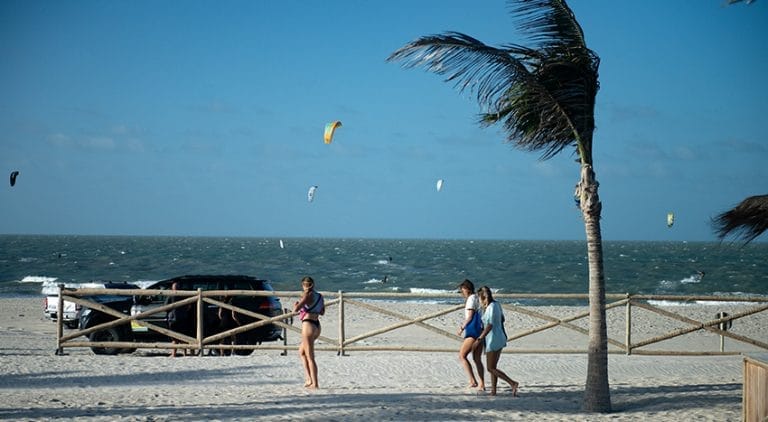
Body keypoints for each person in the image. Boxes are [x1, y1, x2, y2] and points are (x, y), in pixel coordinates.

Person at [476, 286, 519, 396]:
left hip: (493, 338)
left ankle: (512, 383)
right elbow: (502, 319)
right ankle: (493, 391)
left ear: (483, 297)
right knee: (493, 366)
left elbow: (489, 325)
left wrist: (480, 338)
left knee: (490, 367)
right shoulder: (496, 304)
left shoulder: (491, 307)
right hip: (498, 336)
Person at [293, 276, 324, 389]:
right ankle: (309, 379)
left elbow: (296, 309)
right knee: (301, 352)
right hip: (317, 325)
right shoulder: (319, 296)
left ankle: (315, 383)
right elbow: (322, 311)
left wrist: (296, 305)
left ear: (303, 285)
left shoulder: (307, 295)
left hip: (308, 324)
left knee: (310, 356)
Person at [456, 279, 484, 390]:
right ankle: (482, 383)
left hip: (473, 330)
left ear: (466, 289)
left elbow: (470, 316)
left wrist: (462, 328)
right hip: (480, 329)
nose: (462, 292)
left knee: (462, 355)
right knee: (477, 358)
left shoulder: (471, 299)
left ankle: (473, 380)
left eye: (462, 290)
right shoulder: (478, 297)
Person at [166, 281, 192, 357]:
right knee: (183, 336)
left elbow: (165, 306)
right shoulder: (183, 295)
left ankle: (174, 354)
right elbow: (189, 306)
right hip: (183, 317)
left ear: (172, 288)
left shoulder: (171, 295)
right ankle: (185, 353)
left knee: (174, 337)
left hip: (173, 318)